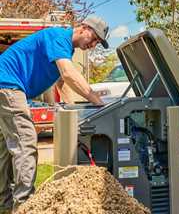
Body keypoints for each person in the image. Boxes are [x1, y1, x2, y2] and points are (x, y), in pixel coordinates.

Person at [0, 16, 109, 213]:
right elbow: (68, 73)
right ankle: (25, 206)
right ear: (84, 28)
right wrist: (97, 101)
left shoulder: (65, 49)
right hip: (7, 85)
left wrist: (71, 111)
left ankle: (5, 204)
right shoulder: (59, 37)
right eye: (94, 39)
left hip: (6, 85)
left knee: (6, 148)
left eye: (97, 44)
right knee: (26, 141)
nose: (93, 45)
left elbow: (61, 83)